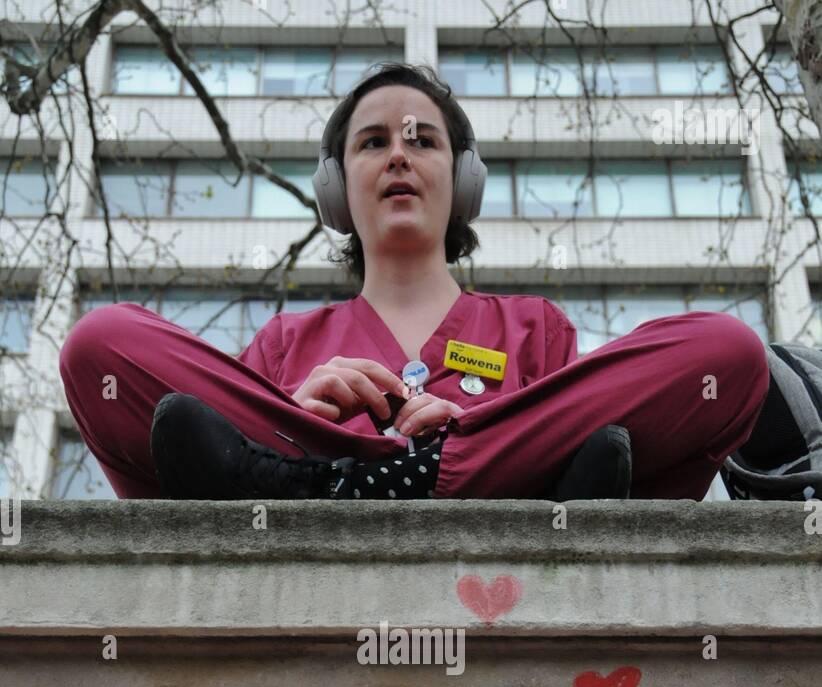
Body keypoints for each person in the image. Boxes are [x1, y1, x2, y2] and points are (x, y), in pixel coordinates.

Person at [59, 61, 770, 502]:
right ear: (337, 187)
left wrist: (476, 430)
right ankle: (303, 472)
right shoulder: (284, 340)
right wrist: (296, 425)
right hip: (301, 495)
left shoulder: (534, 327)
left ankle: (385, 477)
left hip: (505, 532)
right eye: (374, 142)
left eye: (421, 139)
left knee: (730, 352)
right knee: (99, 342)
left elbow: (608, 438)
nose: (399, 153)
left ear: (462, 181)